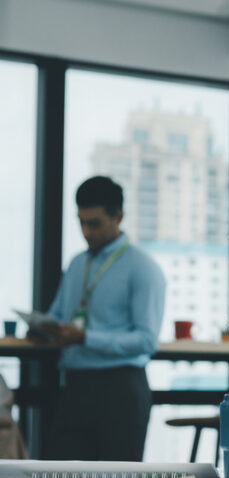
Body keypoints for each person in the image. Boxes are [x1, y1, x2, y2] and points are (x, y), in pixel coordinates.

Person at [41, 176, 166, 461]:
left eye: (94, 223)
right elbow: (59, 315)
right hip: (74, 387)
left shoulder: (142, 269)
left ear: (118, 216)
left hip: (120, 390)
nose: (86, 231)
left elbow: (146, 340)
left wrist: (85, 337)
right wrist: (44, 327)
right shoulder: (77, 264)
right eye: (81, 222)